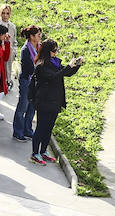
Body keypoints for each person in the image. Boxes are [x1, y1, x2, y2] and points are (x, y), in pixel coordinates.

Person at [31, 38, 84, 166]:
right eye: (54, 50)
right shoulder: (41, 65)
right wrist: (68, 66)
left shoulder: (55, 62)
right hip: (44, 100)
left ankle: (43, 151)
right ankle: (35, 154)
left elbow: (66, 73)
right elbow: (54, 77)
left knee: (49, 128)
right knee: (41, 128)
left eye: (57, 50)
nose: (56, 52)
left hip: (55, 100)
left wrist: (77, 65)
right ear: (47, 51)